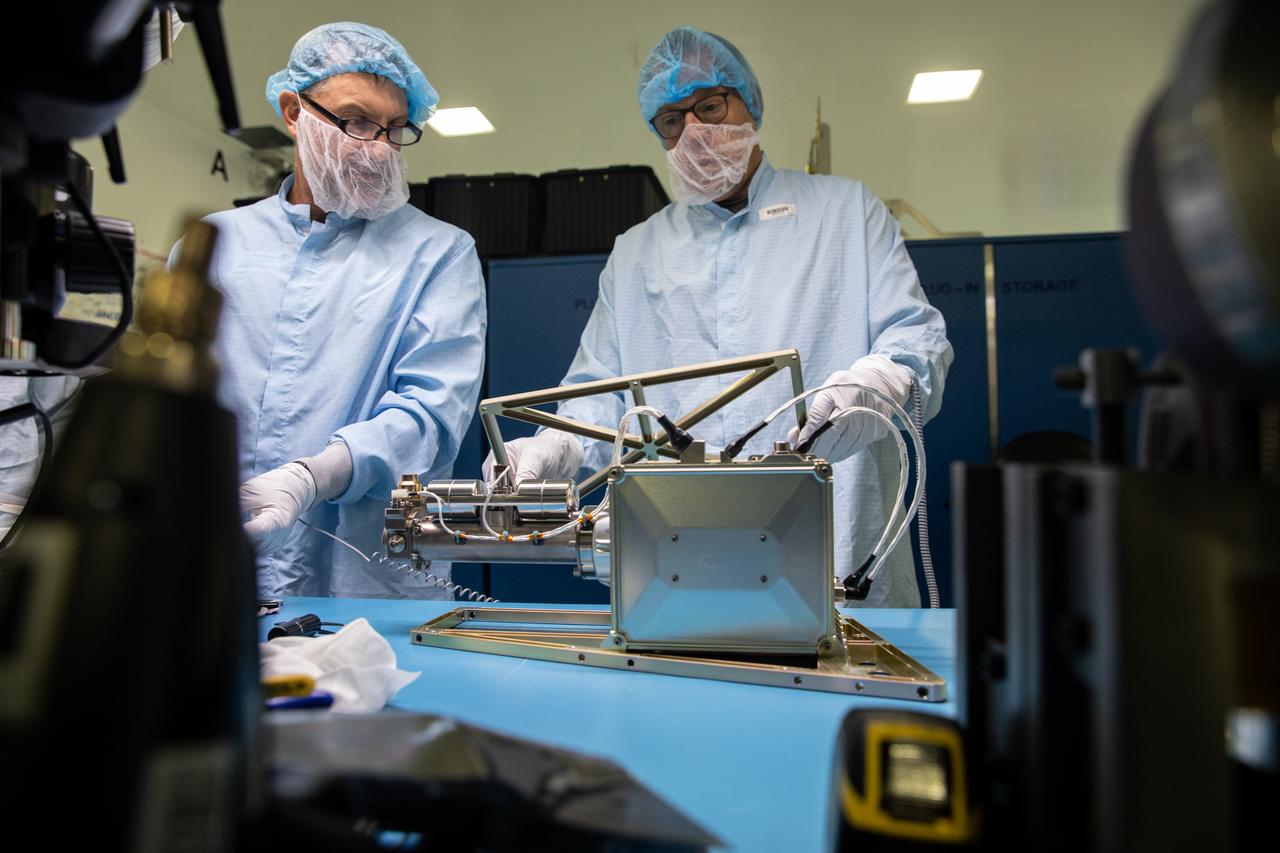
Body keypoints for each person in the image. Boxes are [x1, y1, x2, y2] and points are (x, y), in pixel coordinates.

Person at [486, 26, 952, 607]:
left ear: (748, 102)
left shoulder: (846, 213)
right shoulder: (637, 251)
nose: (695, 132)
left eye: (710, 106)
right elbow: (596, 395)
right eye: (672, 120)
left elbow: (917, 339)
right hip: (675, 559)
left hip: (837, 557)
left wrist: (880, 384)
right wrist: (556, 446)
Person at [173, 22, 486, 598]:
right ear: (294, 112)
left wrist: (310, 478)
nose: (377, 145)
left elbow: (429, 418)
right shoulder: (217, 245)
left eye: (394, 128)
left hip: (364, 583)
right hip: (211, 569)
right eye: (357, 120)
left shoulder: (439, 252)